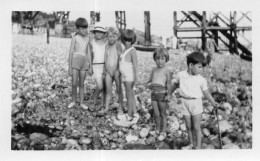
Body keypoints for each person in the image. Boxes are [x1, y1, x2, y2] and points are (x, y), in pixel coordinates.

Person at [170, 52, 219, 149]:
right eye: (200, 67)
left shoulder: (201, 80)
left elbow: (206, 92)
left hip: (196, 103)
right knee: (188, 126)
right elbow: (175, 85)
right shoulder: (181, 75)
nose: (202, 70)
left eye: (202, 67)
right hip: (184, 102)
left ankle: (198, 146)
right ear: (191, 65)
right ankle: (191, 143)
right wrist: (168, 94)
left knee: (196, 127)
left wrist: (213, 102)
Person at [141, 48, 172, 141]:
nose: (160, 61)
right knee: (156, 113)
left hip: (162, 93)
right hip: (153, 94)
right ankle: (157, 129)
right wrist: (142, 83)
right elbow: (149, 79)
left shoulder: (167, 70)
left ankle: (163, 131)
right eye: (158, 59)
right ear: (155, 59)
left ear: (166, 59)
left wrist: (169, 94)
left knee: (163, 114)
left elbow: (169, 83)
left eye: (162, 59)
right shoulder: (154, 69)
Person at [68, 17, 92, 109]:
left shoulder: (87, 38)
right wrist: (70, 67)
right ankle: (73, 101)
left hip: (84, 61)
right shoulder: (74, 38)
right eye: (82, 28)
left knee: (81, 83)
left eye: (86, 28)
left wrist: (90, 66)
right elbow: (70, 52)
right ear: (77, 29)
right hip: (76, 60)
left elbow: (88, 52)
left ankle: (81, 102)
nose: (84, 30)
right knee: (74, 83)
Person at [99, 27, 124, 115]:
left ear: (117, 37)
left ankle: (120, 107)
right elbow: (105, 58)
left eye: (114, 36)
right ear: (107, 37)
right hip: (108, 72)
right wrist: (104, 70)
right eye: (110, 36)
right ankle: (106, 108)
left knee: (118, 90)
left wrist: (118, 70)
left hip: (116, 71)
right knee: (108, 90)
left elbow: (120, 58)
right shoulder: (107, 46)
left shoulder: (118, 45)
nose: (112, 38)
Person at [119, 29, 139, 122]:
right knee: (130, 95)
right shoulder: (124, 50)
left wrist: (136, 78)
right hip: (124, 75)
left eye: (129, 41)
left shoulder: (132, 50)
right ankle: (134, 112)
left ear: (132, 41)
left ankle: (129, 115)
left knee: (129, 95)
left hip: (129, 75)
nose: (127, 43)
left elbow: (135, 65)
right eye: (126, 40)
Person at [88, 26, 108, 112]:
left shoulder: (107, 43)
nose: (98, 34)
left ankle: (102, 104)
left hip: (105, 66)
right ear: (94, 33)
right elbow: (89, 55)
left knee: (104, 86)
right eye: (96, 32)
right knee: (99, 86)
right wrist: (90, 67)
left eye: (101, 32)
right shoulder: (91, 42)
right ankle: (93, 102)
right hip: (96, 66)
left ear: (104, 34)